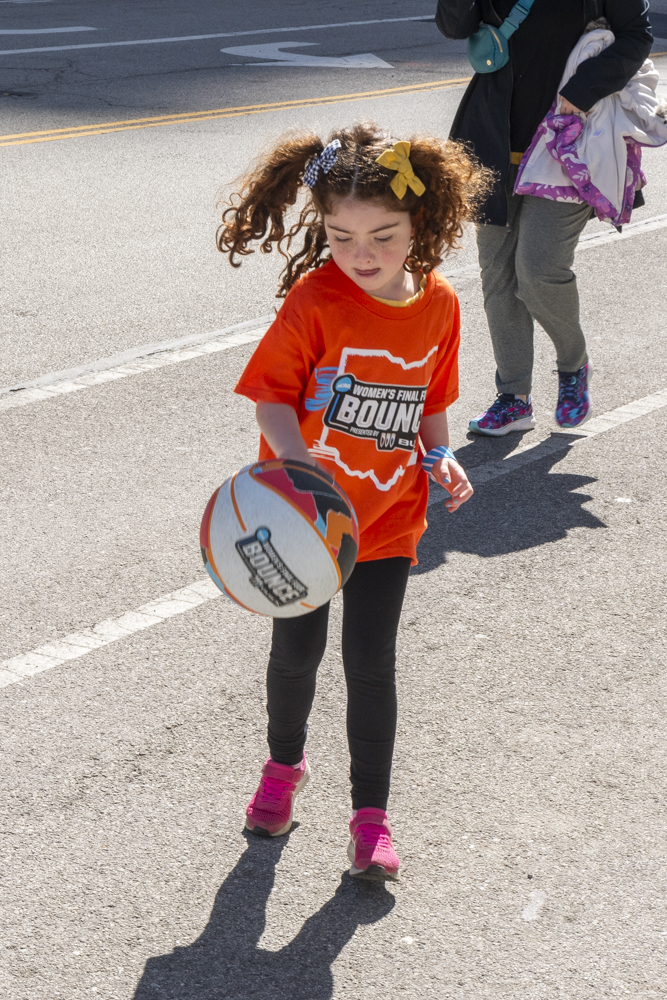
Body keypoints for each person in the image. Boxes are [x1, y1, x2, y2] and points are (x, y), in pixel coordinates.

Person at [216, 122, 489, 880]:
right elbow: (270, 399)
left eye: (382, 236)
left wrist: (442, 456)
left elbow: (430, 404)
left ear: (422, 224)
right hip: (301, 524)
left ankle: (370, 818)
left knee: (371, 662)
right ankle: (283, 769)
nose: (360, 254)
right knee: (295, 653)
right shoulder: (317, 298)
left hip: (388, 518)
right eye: (340, 236)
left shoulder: (438, 307)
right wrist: (300, 474)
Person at [435, 0, 653, 435]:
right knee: (498, 276)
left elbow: (637, 36)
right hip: (493, 137)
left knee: (537, 270)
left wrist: (583, 89)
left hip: (569, 138)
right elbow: (454, 26)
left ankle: (573, 366)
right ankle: (514, 399)